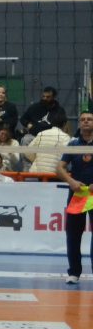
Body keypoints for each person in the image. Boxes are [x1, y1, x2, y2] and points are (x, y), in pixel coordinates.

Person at [57, 111, 93, 285]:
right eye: (83, 119)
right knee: (72, 234)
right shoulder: (73, 144)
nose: (86, 121)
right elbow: (60, 168)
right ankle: (74, 272)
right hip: (77, 193)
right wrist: (71, 181)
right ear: (79, 123)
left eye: (89, 119)